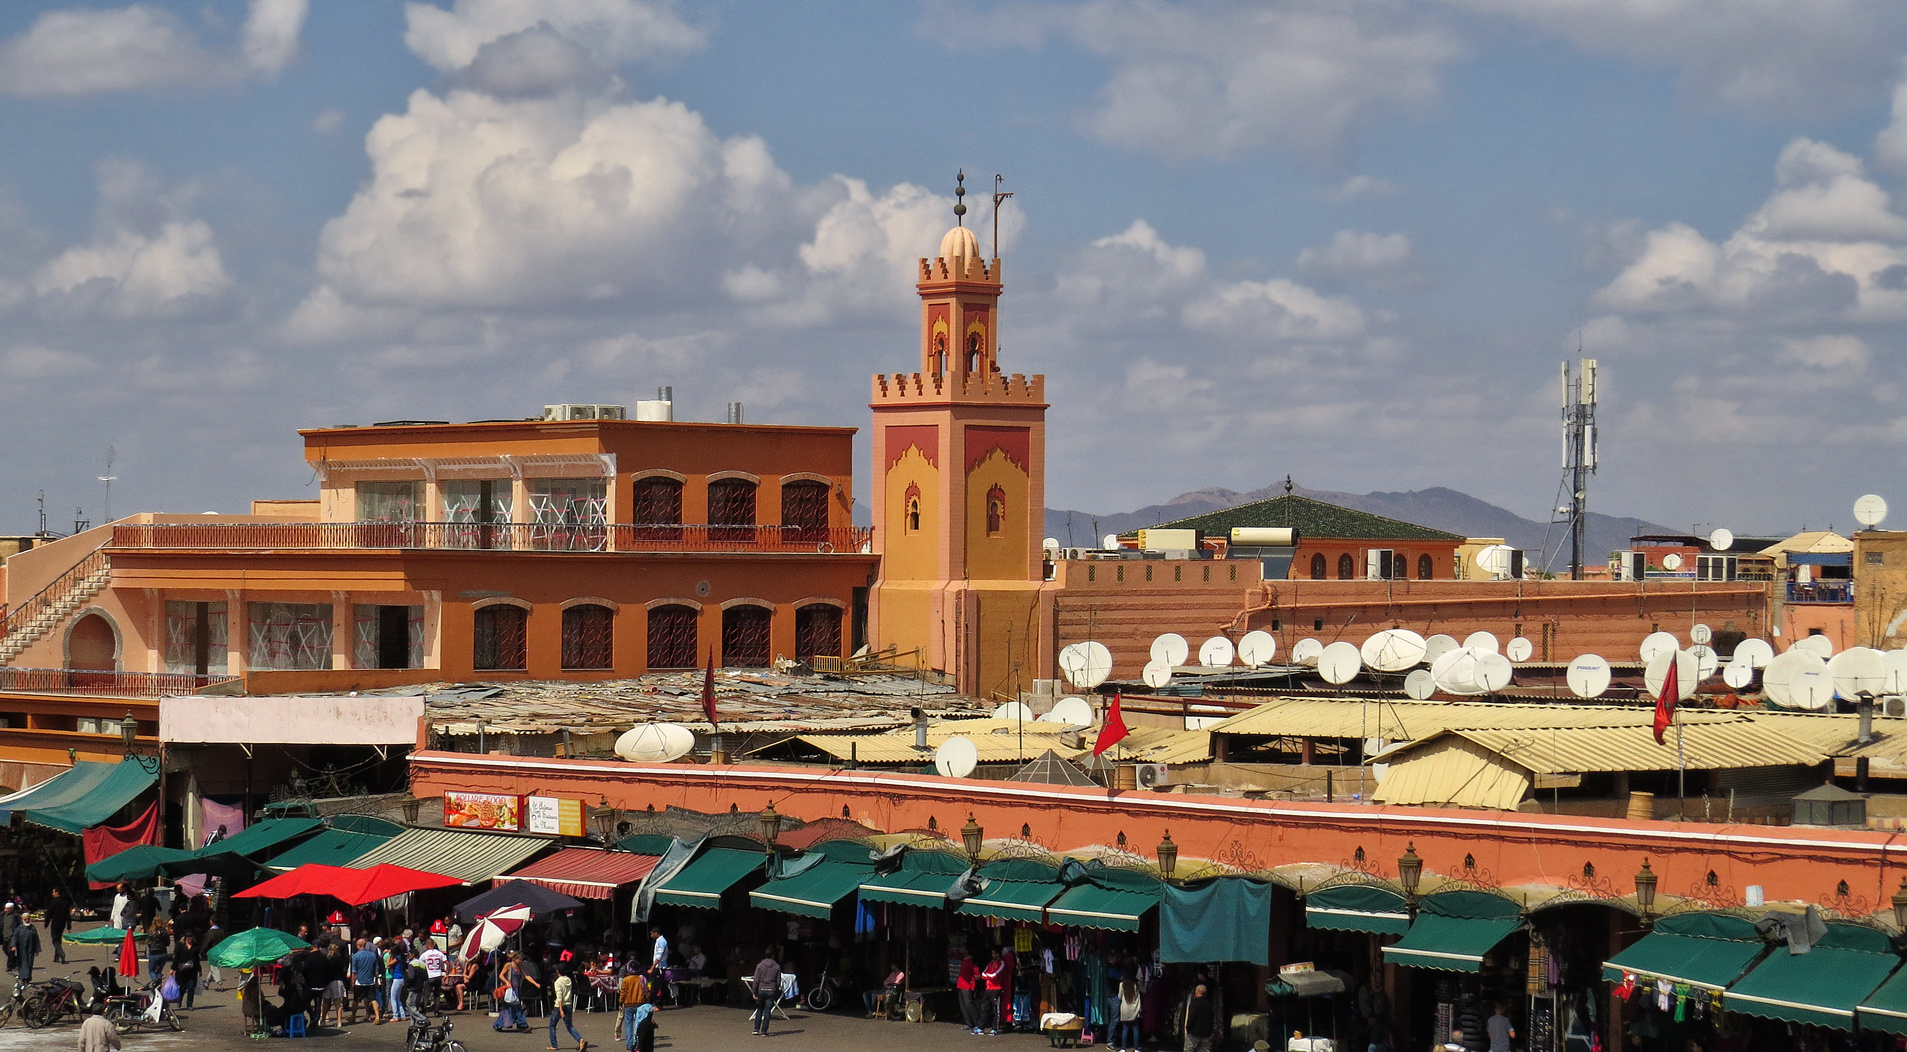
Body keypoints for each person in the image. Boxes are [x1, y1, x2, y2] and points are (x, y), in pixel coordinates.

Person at [548, 963, 587, 1051]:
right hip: (569, 1004)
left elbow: (559, 996)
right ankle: (580, 1039)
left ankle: (554, 1045)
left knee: (552, 1025)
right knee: (569, 1026)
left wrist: (560, 1009)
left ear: (558, 971)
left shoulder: (558, 982)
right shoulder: (569, 980)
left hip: (559, 1006)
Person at [350, 937, 384, 1025]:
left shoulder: (356, 956)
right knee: (373, 999)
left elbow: (354, 971)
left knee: (356, 1000)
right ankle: (377, 1016)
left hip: (360, 981)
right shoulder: (372, 955)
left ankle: (353, 1016)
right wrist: (376, 980)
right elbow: (376, 969)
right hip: (370, 981)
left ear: (359, 945)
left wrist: (352, 983)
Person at [750, 949, 782, 1037]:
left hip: (761, 989)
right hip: (771, 990)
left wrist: (754, 991)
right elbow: (778, 981)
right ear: (773, 956)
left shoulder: (760, 966)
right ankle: (764, 1031)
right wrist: (776, 989)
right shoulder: (777, 967)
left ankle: (756, 1029)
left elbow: (756, 980)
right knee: (767, 1011)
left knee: (759, 1009)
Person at [619, 966, 651, 1050]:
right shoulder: (641, 979)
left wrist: (620, 1002)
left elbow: (623, 992)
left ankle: (629, 1044)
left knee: (628, 1024)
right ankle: (637, 1043)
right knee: (638, 1024)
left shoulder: (626, 979)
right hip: (639, 1003)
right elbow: (646, 990)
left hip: (628, 1004)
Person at [980, 949, 1007, 1036]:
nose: (993, 955)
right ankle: (981, 1027)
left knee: (996, 1010)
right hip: (988, 989)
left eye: (994, 953)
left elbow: (995, 975)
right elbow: (983, 974)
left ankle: (995, 1028)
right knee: (984, 1008)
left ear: (998, 954)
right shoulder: (990, 963)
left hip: (996, 989)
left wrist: (988, 976)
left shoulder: (1002, 963)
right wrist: (989, 976)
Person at [172, 933, 202, 1010]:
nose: (190, 939)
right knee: (182, 988)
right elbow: (176, 958)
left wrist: (199, 970)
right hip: (182, 970)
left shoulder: (195, 947)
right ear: (185, 938)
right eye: (188, 938)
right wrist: (173, 969)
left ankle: (189, 1004)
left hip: (192, 970)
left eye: (191, 937)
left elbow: (197, 960)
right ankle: (179, 1000)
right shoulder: (180, 947)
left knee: (191, 987)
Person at [1183, 984, 1215, 1052]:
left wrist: (1187, 1028)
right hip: (1206, 1033)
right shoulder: (1209, 1005)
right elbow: (1212, 1019)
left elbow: (1191, 1017)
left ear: (1197, 992)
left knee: (1189, 1050)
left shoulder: (1195, 1003)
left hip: (1194, 1033)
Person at [1115, 978, 1142, 1052]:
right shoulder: (1135, 985)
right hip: (1134, 1009)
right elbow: (1137, 997)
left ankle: (1123, 1048)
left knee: (1125, 1029)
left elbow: (1119, 996)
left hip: (1125, 1009)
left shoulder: (1122, 985)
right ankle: (1136, 1048)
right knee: (1135, 1029)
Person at [957, 950, 980, 1033]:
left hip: (967, 985)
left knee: (968, 1004)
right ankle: (969, 1023)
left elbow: (977, 974)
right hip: (960, 984)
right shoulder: (964, 960)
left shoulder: (971, 961)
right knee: (963, 1005)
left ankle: (977, 1023)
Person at [10, 915, 39, 983]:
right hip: (21, 949)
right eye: (25, 919)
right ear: (23, 920)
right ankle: (23, 977)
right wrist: (13, 945)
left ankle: (28, 977)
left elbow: (36, 940)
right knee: (23, 962)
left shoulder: (33, 928)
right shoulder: (19, 928)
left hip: (31, 948)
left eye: (28, 919)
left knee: (29, 963)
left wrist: (37, 950)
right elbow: (15, 938)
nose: (27, 920)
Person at [47, 888, 70, 964]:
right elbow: (68, 916)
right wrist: (69, 926)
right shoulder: (66, 902)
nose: (52, 894)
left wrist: (46, 923)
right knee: (58, 940)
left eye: (53, 892)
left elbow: (49, 914)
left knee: (55, 941)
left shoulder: (52, 903)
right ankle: (56, 957)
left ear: (57, 893)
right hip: (62, 924)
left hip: (55, 924)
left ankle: (61, 954)